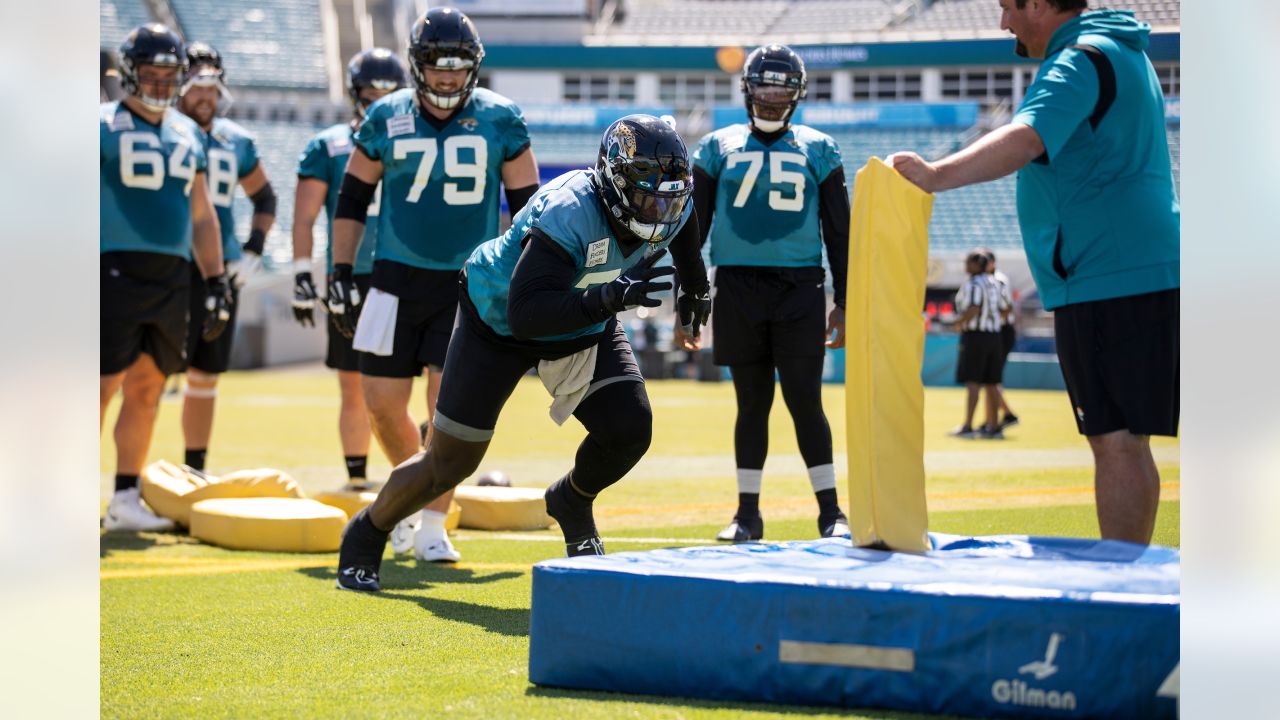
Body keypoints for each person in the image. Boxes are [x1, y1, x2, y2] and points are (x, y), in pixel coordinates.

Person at [335, 115, 712, 591]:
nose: (658, 211)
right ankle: (365, 533)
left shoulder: (669, 204)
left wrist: (695, 286)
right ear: (615, 184)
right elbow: (527, 315)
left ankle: (572, 500)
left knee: (629, 429)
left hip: (583, 318)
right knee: (450, 463)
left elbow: (684, 221)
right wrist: (610, 298)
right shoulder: (570, 212)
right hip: (498, 320)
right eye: (646, 199)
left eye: (668, 199)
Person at [890, 1, 1179, 543]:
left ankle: (1121, 586)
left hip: (1104, 269)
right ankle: (1131, 575)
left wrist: (935, 175)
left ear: (1041, 5)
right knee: (1127, 438)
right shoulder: (1123, 49)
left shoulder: (1078, 58)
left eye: (1008, 8)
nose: (1004, 23)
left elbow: (1026, 138)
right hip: (1138, 263)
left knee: (1113, 437)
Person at [329, 7, 540, 563]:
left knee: (445, 411)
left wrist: (527, 278)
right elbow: (351, 198)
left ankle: (431, 523)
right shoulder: (384, 116)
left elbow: (527, 208)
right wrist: (338, 271)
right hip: (394, 276)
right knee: (379, 404)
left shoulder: (501, 118)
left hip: (467, 279)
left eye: (458, 66)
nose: (447, 77)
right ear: (417, 65)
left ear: (473, 67)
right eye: (436, 65)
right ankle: (406, 498)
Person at [690, 44, 850, 543]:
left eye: (781, 87)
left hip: (799, 287)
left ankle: (830, 513)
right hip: (736, 284)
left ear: (798, 93)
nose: (771, 96)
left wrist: (844, 300)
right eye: (763, 84)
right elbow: (694, 229)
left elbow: (840, 232)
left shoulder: (819, 148)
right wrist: (689, 296)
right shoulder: (716, 147)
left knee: (805, 400)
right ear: (747, 88)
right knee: (751, 403)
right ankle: (747, 514)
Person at [101, 24, 230, 530]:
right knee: (97, 386)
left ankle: (124, 497)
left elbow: (202, 215)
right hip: (109, 266)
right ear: (130, 74)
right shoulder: (99, 125)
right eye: (150, 75)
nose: (158, 85)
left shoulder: (186, 133)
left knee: (148, 387)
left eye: (167, 76)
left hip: (171, 274)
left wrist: (215, 279)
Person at [292, 48, 407, 492]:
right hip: (351, 272)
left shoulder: (411, 138)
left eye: (387, 93)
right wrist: (303, 274)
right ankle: (358, 478)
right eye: (370, 92)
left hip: (401, 269)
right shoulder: (329, 145)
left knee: (404, 380)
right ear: (353, 93)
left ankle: (412, 472)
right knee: (353, 383)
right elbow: (304, 216)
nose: (378, 100)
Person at [177, 42, 276, 472]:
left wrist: (253, 250)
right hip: (164, 262)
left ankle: (193, 470)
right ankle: (125, 480)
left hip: (217, 267)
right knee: (137, 375)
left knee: (205, 375)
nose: (205, 97)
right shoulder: (162, 131)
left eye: (212, 88)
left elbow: (266, 197)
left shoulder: (236, 141)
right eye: (197, 86)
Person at [949, 250, 1005, 439]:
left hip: (976, 336)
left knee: (973, 381)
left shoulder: (974, 283)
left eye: (968, 262)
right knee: (992, 382)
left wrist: (959, 323)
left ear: (976, 264)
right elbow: (1006, 309)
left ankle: (968, 426)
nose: (965, 265)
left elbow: (974, 308)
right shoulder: (995, 282)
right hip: (995, 336)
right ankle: (994, 427)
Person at [985, 249, 1020, 429]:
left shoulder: (998, 280)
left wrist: (991, 323)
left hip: (1001, 331)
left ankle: (1005, 415)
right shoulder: (988, 281)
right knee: (988, 378)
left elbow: (1007, 308)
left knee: (991, 378)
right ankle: (992, 418)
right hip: (996, 330)